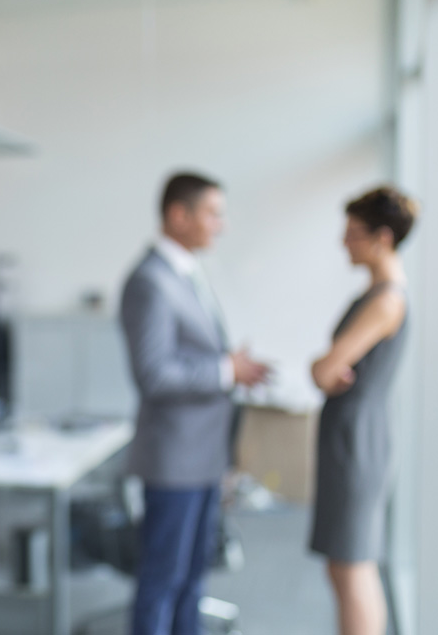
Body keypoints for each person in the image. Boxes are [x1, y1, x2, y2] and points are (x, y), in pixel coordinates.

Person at [118, 172, 269, 635]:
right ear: (178, 214)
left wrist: (229, 366)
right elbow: (154, 373)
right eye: (212, 213)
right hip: (175, 462)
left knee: (192, 581)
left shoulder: (186, 274)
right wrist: (227, 371)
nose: (220, 225)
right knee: (163, 581)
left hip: (203, 458)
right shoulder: (150, 281)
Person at [309, 186, 417, 635]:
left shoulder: (385, 301)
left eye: (354, 233)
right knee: (347, 563)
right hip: (353, 434)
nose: (344, 241)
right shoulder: (379, 294)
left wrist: (323, 365)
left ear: (383, 238)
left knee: (352, 565)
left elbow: (325, 370)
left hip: (357, 439)